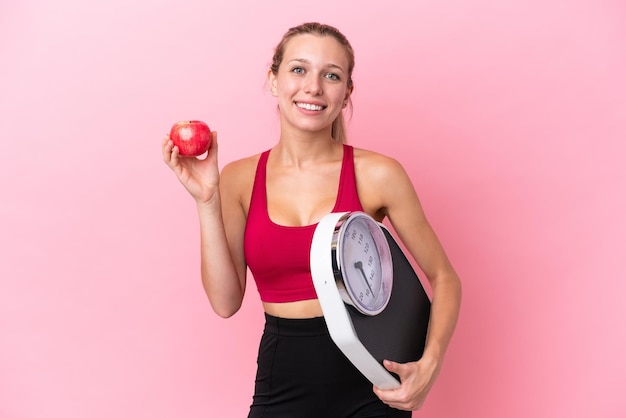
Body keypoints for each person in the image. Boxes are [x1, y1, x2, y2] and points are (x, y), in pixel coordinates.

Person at [162, 22, 461, 417]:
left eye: (331, 75)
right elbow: (225, 302)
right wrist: (206, 201)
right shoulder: (237, 179)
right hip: (282, 378)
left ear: (347, 92)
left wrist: (430, 366)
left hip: (372, 379)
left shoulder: (378, 174)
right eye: (299, 69)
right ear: (273, 80)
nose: (314, 87)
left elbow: (444, 277)